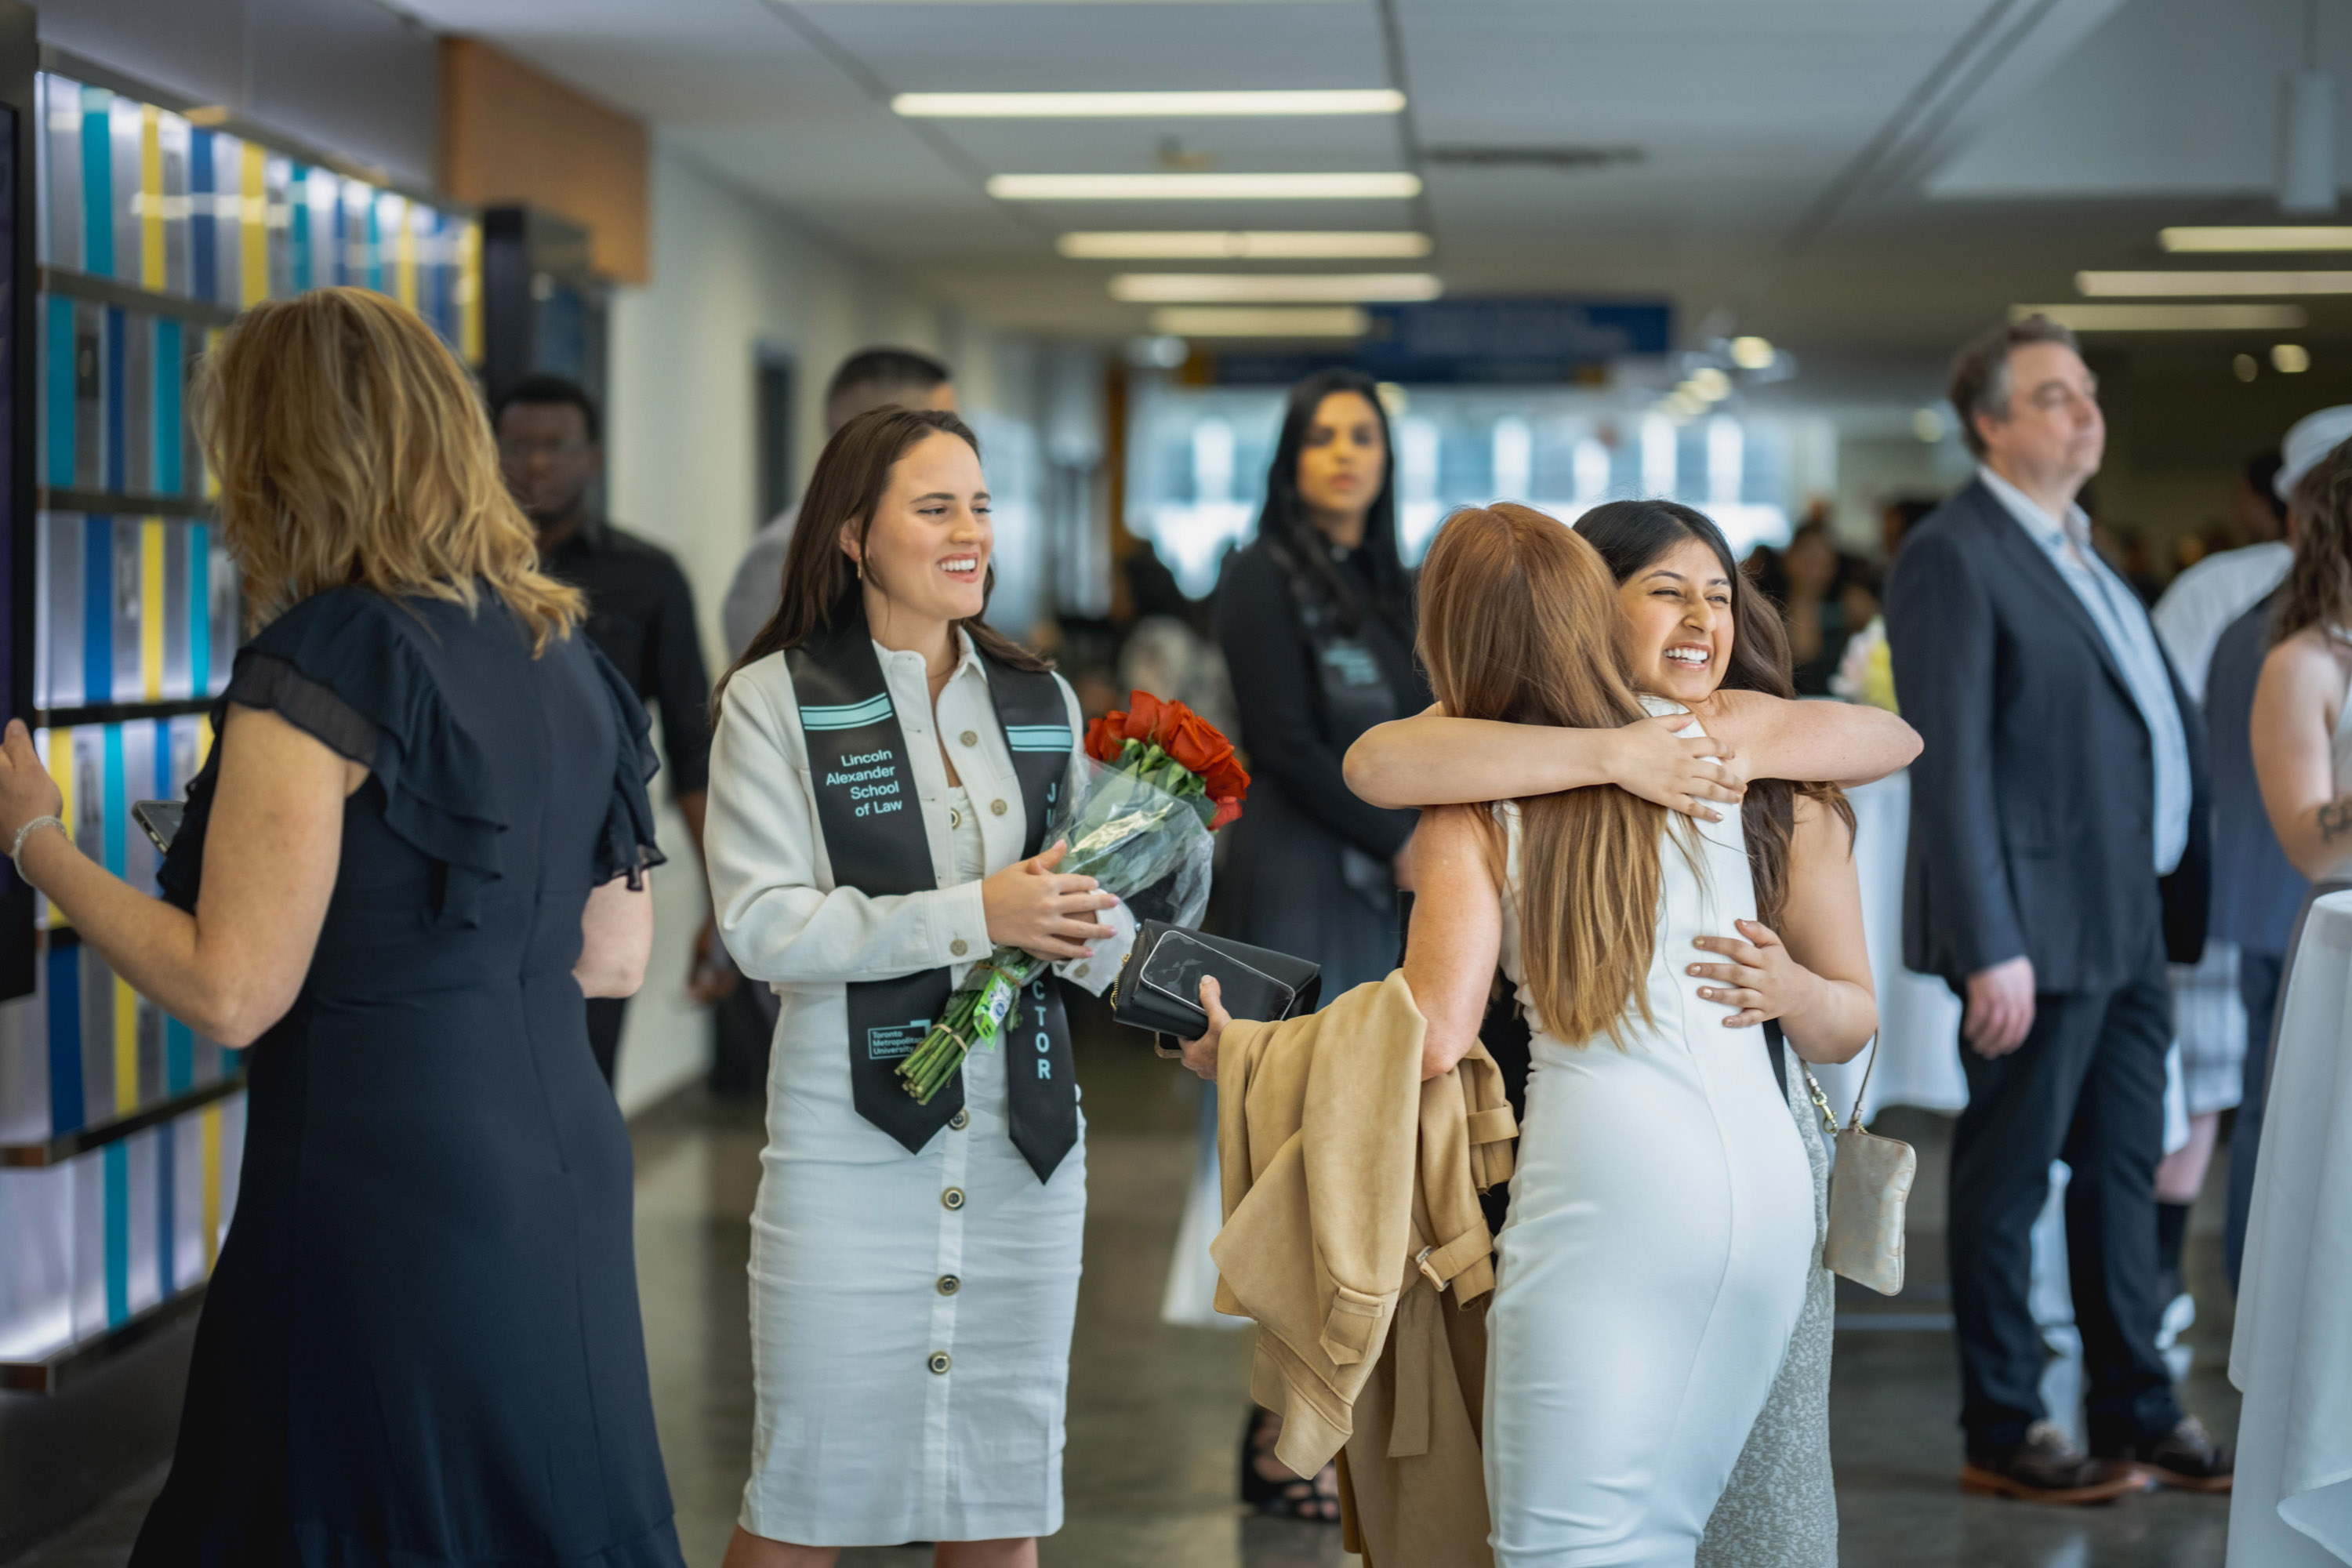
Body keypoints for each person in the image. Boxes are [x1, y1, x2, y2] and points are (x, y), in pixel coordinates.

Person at [0, 289, 679, 1563]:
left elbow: (231, 989)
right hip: (562, 1165)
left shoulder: (329, 657)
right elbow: (611, 954)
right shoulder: (562, 645)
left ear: (278, 450)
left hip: (382, 1182)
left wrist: (38, 842)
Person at [1198, 503, 1875, 1565]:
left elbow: (1430, 1033)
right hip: (1767, 1197)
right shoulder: (1715, 761)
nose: (1702, 615)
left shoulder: (1482, 802)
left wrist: (1244, 1049)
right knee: (1666, 1528)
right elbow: (1883, 737)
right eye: (1667, 590)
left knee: (1563, 1546)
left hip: (1609, 1200)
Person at [702, 407, 1131, 1568]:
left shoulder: (1038, 700)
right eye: (935, 507)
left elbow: (1073, 908)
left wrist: (1155, 951)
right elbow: (761, 926)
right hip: (851, 1152)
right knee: (804, 1494)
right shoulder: (776, 702)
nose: (969, 533)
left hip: (1028, 1153)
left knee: (1001, 1503)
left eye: (981, 507)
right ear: (853, 534)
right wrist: (974, 916)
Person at [1883, 314, 2230, 1501]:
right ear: (1989, 423)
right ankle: (2006, 1426)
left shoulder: (2082, 550)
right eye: (2053, 396)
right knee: (2010, 1178)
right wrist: (1992, 948)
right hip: (2032, 933)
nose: (2086, 412)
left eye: (2087, 392)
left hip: (2126, 925)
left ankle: (2136, 1408)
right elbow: (1952, 763)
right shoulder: (1956, 552)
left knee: (2127, 1171)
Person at [2154, 426, 2343, 1301]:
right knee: (2285, 1122)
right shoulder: (2280, 646)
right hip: (2297, 911)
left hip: (2282, 906)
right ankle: (2263, 1307)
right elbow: (2300, 824)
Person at [496, 374, 715, 1083]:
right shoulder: (457, 572)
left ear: (591, 456)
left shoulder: (647, 578)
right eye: (519, 445)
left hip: (592, 875)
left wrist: (724, 905)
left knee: (580, 1083)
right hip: (474, 866)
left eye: (555, 446)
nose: (535, 463)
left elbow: (691, 747)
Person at [722, 347, 956, 661]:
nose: (956, 443)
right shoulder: (782, 555)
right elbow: (764, 689)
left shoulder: (940, 541)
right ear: (875, 434)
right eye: (939, 427)